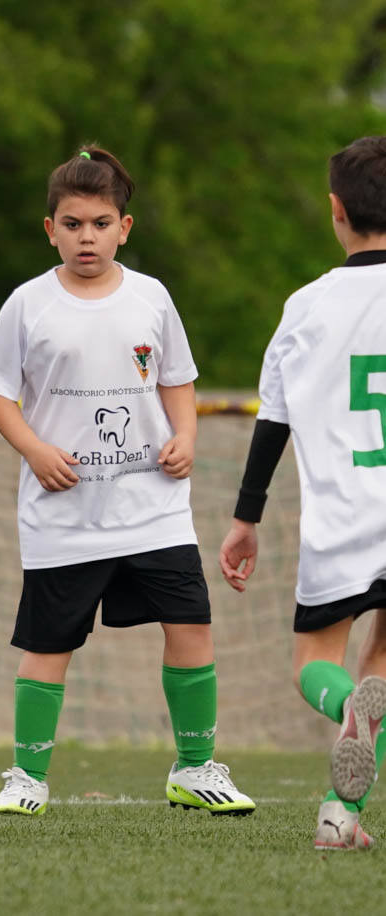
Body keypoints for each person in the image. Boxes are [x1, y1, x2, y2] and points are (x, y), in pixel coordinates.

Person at [0, 147, 254, 818]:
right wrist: (35, 450)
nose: (86, 236)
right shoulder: (28, 304)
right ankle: (27, 778)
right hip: (64, 515)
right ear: (50, 230)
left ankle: (195, 768)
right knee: (48, 645)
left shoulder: (151, 297)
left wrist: (185, 436)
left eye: (100, 223)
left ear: (124, 227)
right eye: (72, 224)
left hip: (153, 508)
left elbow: (177, 381)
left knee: (191, 625)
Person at [219, 136, 386, 851]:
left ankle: (345, 709)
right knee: (385, 670)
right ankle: (337, 813)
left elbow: (274, 420)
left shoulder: (307, 305)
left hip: (342, 519)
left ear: (336, 210)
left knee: (312, 664)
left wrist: (245, 519)